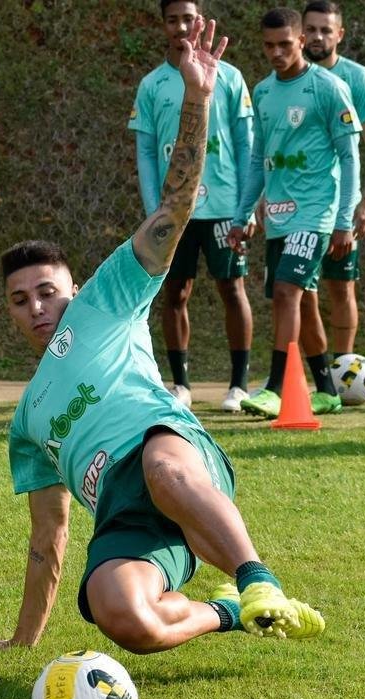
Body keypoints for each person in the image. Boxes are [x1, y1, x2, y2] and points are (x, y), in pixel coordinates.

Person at [0, 17, 324, 654]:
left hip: (168, 450)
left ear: (75, 288)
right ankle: (227, 611)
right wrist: (21, 643)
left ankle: (257, 581)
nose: (36, 307)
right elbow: (47, 538)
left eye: (47, 291)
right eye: (19, 301)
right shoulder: (26, 422)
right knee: (126, 620)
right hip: (124, 512)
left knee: (161, 467)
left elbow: (174, 208)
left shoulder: (107, 299)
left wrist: (196, 98)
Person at [229, 7, 361, 420]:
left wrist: (344, 220)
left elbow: (350, 157)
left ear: (301, 41)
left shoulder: (328, 87)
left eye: (285, 44)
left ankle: (275, 387)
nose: (276, 53)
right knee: (304, 303)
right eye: (268, 45)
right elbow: (257, 159)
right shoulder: (263, 92)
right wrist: (241, 215)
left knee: (286, 292)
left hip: (316, 214)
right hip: (278, 217)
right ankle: (326, 389)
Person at [130, 0, 254, 413]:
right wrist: (155, 209)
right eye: (173, 20)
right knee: (175, 292)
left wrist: (246, 208)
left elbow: (246, 147)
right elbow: (146, 151)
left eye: (188, 18)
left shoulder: (229, 77)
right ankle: (180, 384)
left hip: (224, 207)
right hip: (174, 210)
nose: (181, 27)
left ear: (200, 21)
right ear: (163, 24)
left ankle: (239, 385)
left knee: (231, 288)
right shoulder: (152, 85)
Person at [302, 0, 365, 357]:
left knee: (341, 286)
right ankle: (315, 371)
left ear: (340, 34)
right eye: (311, 29)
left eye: (326, 30)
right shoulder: (289, 76)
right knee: (299, 290)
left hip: (341, 204)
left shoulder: (358, 78)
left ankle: (342, 366)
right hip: (298, 203)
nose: (317, 36)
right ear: (300, 33)